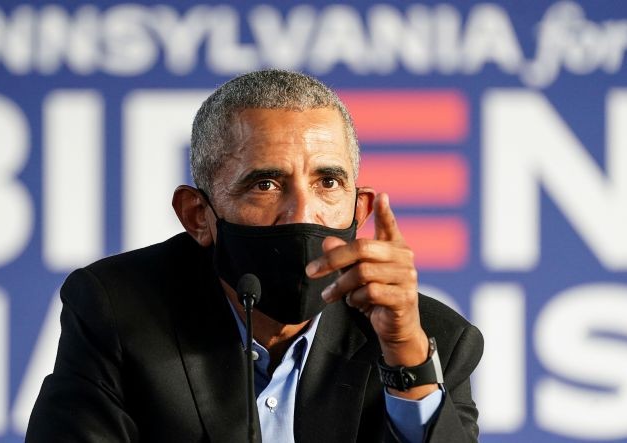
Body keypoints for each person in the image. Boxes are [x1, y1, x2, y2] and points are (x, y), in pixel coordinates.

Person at [26, 70, 484, 442]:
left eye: (328, 183)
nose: (303, 213)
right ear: (198, 215)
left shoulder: (434, 336)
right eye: (265, 184)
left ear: (359, 210)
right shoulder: (117, 310)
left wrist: (406, 358)